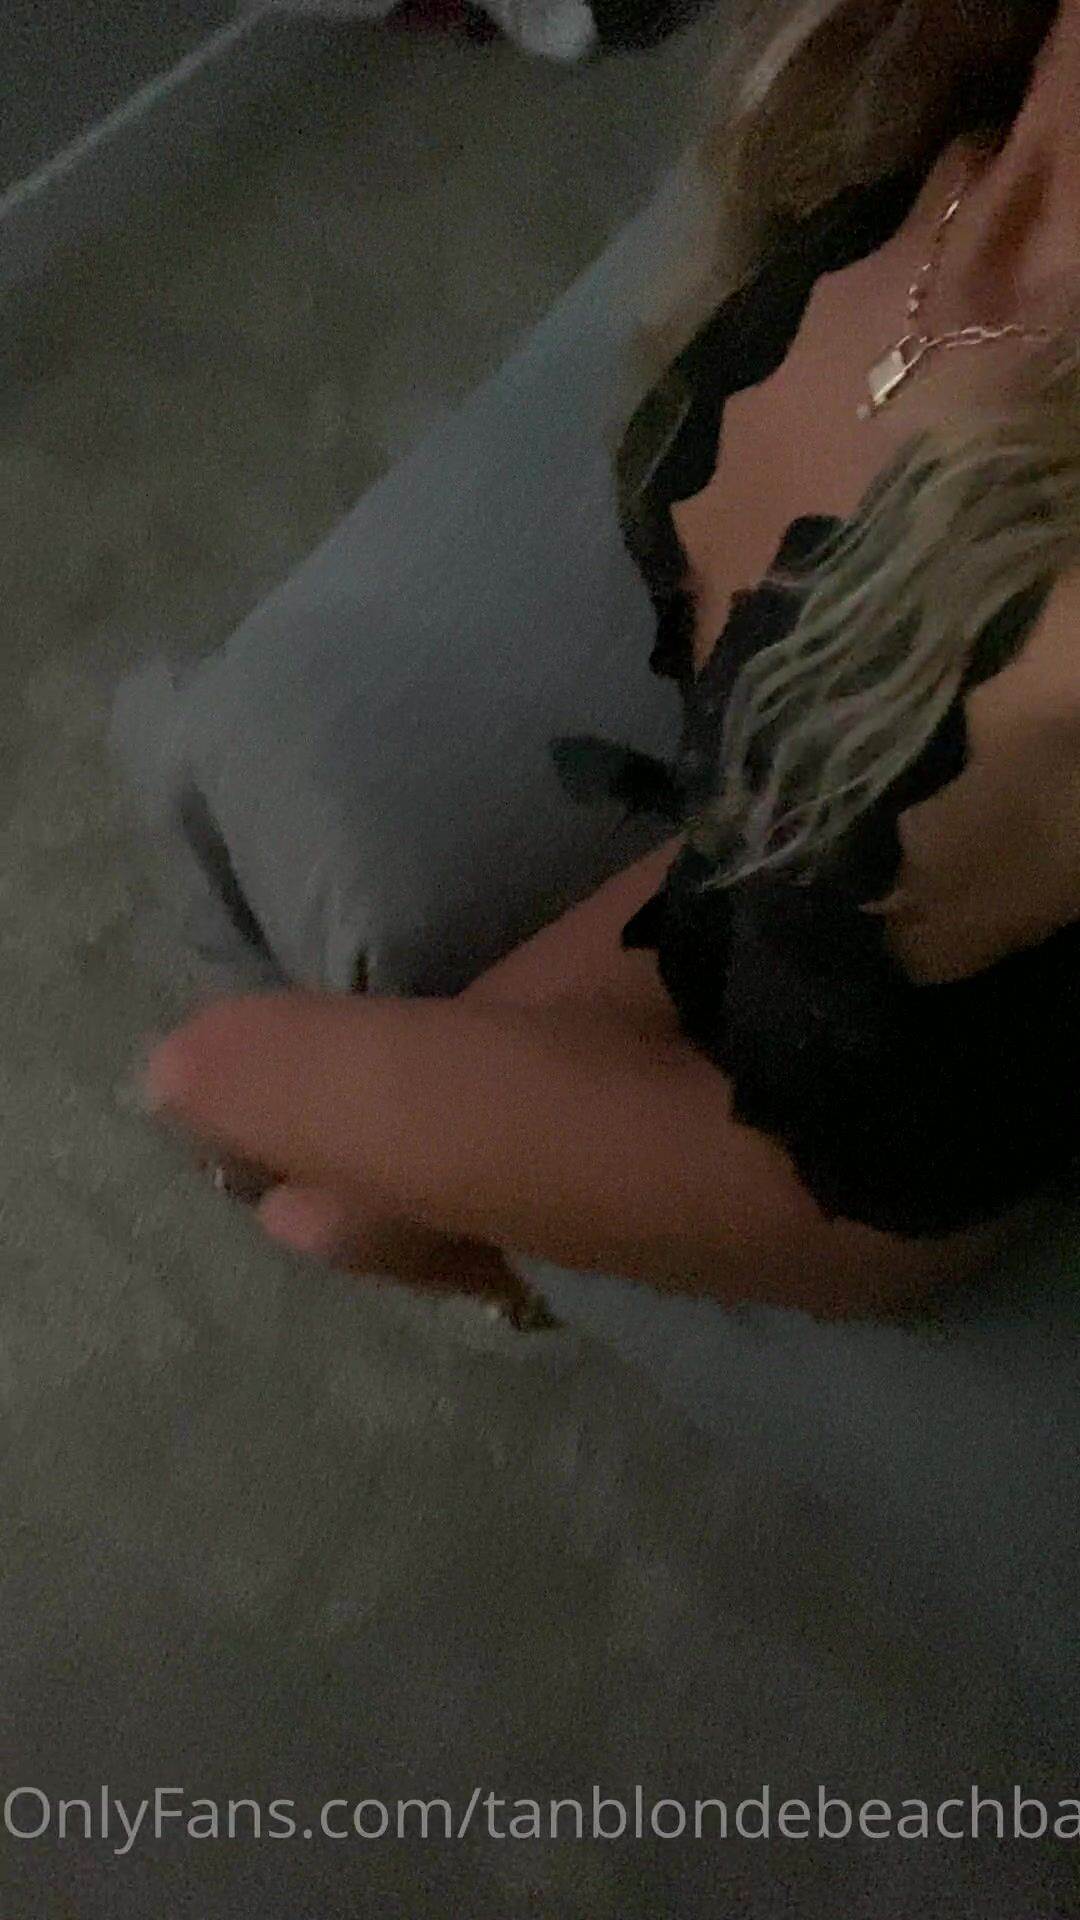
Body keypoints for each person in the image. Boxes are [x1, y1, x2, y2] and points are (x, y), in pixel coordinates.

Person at [144, 0, 1080, 1321]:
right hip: (758, 877)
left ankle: (662, 1284)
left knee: (220, 1084)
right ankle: (592, 1281)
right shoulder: (915, 108)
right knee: (329, 1212)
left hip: (869, 1135)